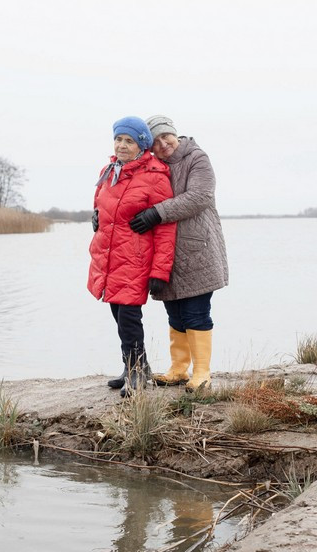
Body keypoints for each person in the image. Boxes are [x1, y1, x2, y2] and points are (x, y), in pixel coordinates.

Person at [128, 115, 229, 392]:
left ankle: (202, 373)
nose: (163, 144)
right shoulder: (152, 166)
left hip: (198, 249)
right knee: (174, 313)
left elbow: (200, 197)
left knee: (196, 313)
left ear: (175, 133)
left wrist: (156, 213)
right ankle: (178, 369)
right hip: (166, 253)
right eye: (156, 141)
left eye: (166, 136)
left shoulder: (197, 158)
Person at [88, 116, 177, 397]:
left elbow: (166, 228)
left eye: (129, 141)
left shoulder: (155, 176)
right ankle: (135, 367)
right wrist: (96, 215)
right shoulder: (109, 171)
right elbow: (102, 202)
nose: (122, 145)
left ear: (142, 145)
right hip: (109, 256)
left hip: (136, 259)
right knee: (117, 312)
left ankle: (137, 371)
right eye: (118, 139)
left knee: (128, 316)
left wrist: (160, 271)